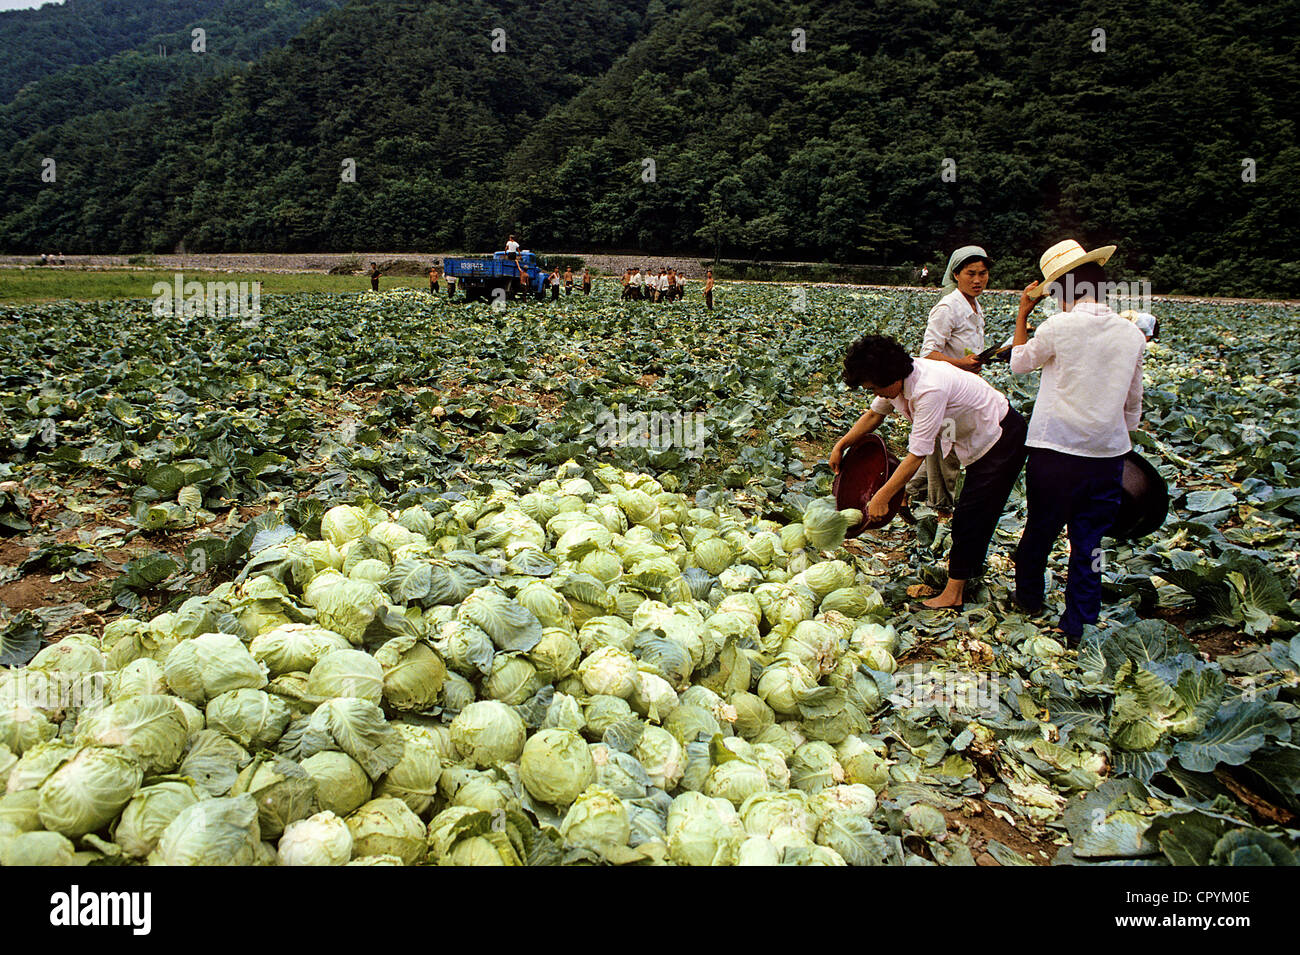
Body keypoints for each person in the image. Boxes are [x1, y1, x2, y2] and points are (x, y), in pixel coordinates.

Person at [1010, 239, 1146, 644]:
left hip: (1055, 451)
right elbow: (1132, 404)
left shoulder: (1057, 327)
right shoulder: (1131, 334)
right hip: (1106, 456)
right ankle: (1080, 624)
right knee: (1089, 542)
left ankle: (1029, 599)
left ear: (1065, 291)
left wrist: (1022, 314)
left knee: (1040, 528)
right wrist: (1113, 435)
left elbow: (1018, 364)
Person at [831, 335, 1027, 610]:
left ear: (892, 376)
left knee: (973, 516)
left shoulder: (928, 389)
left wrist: (881, 497)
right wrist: (842, 444)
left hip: (1000, 438)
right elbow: (874, 416)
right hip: (970, 436)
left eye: (875, 387)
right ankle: (967, 573)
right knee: (973, 513)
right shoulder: (898, 383)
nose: (875, 393)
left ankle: (954, 594)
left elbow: (916, 456)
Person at [906, 246, 992, 513]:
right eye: (970, 274)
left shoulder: (975, 305)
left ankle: (904, 492)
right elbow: (928, 354)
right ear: (956, 275)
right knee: (947, 454)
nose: (977, 280)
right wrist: (961, 363)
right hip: (944, 394)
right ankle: (941, 509)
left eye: (983, 273)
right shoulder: (946, 308)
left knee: (939, 454)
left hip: (964, 391)